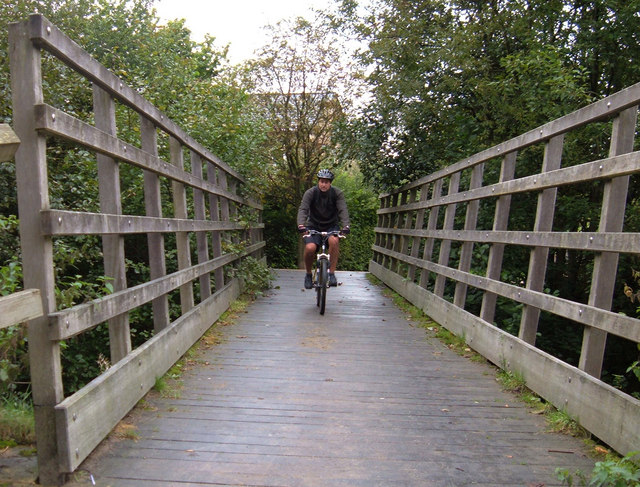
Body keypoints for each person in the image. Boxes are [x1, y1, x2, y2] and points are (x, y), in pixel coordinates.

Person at [297, 169, 351, 289]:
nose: (323, 184)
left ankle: (331, 274)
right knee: (310, 248)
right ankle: (308, 275)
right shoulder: (310, 193)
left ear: (330, 183)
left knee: (334, 241)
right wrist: (301, 224)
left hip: (331, 225)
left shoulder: (337, 193)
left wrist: (346, 225)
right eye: (321, 181)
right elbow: (303, 209)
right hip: (313, 225)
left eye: (326, 182)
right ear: (318, 182)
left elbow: (343, 210)